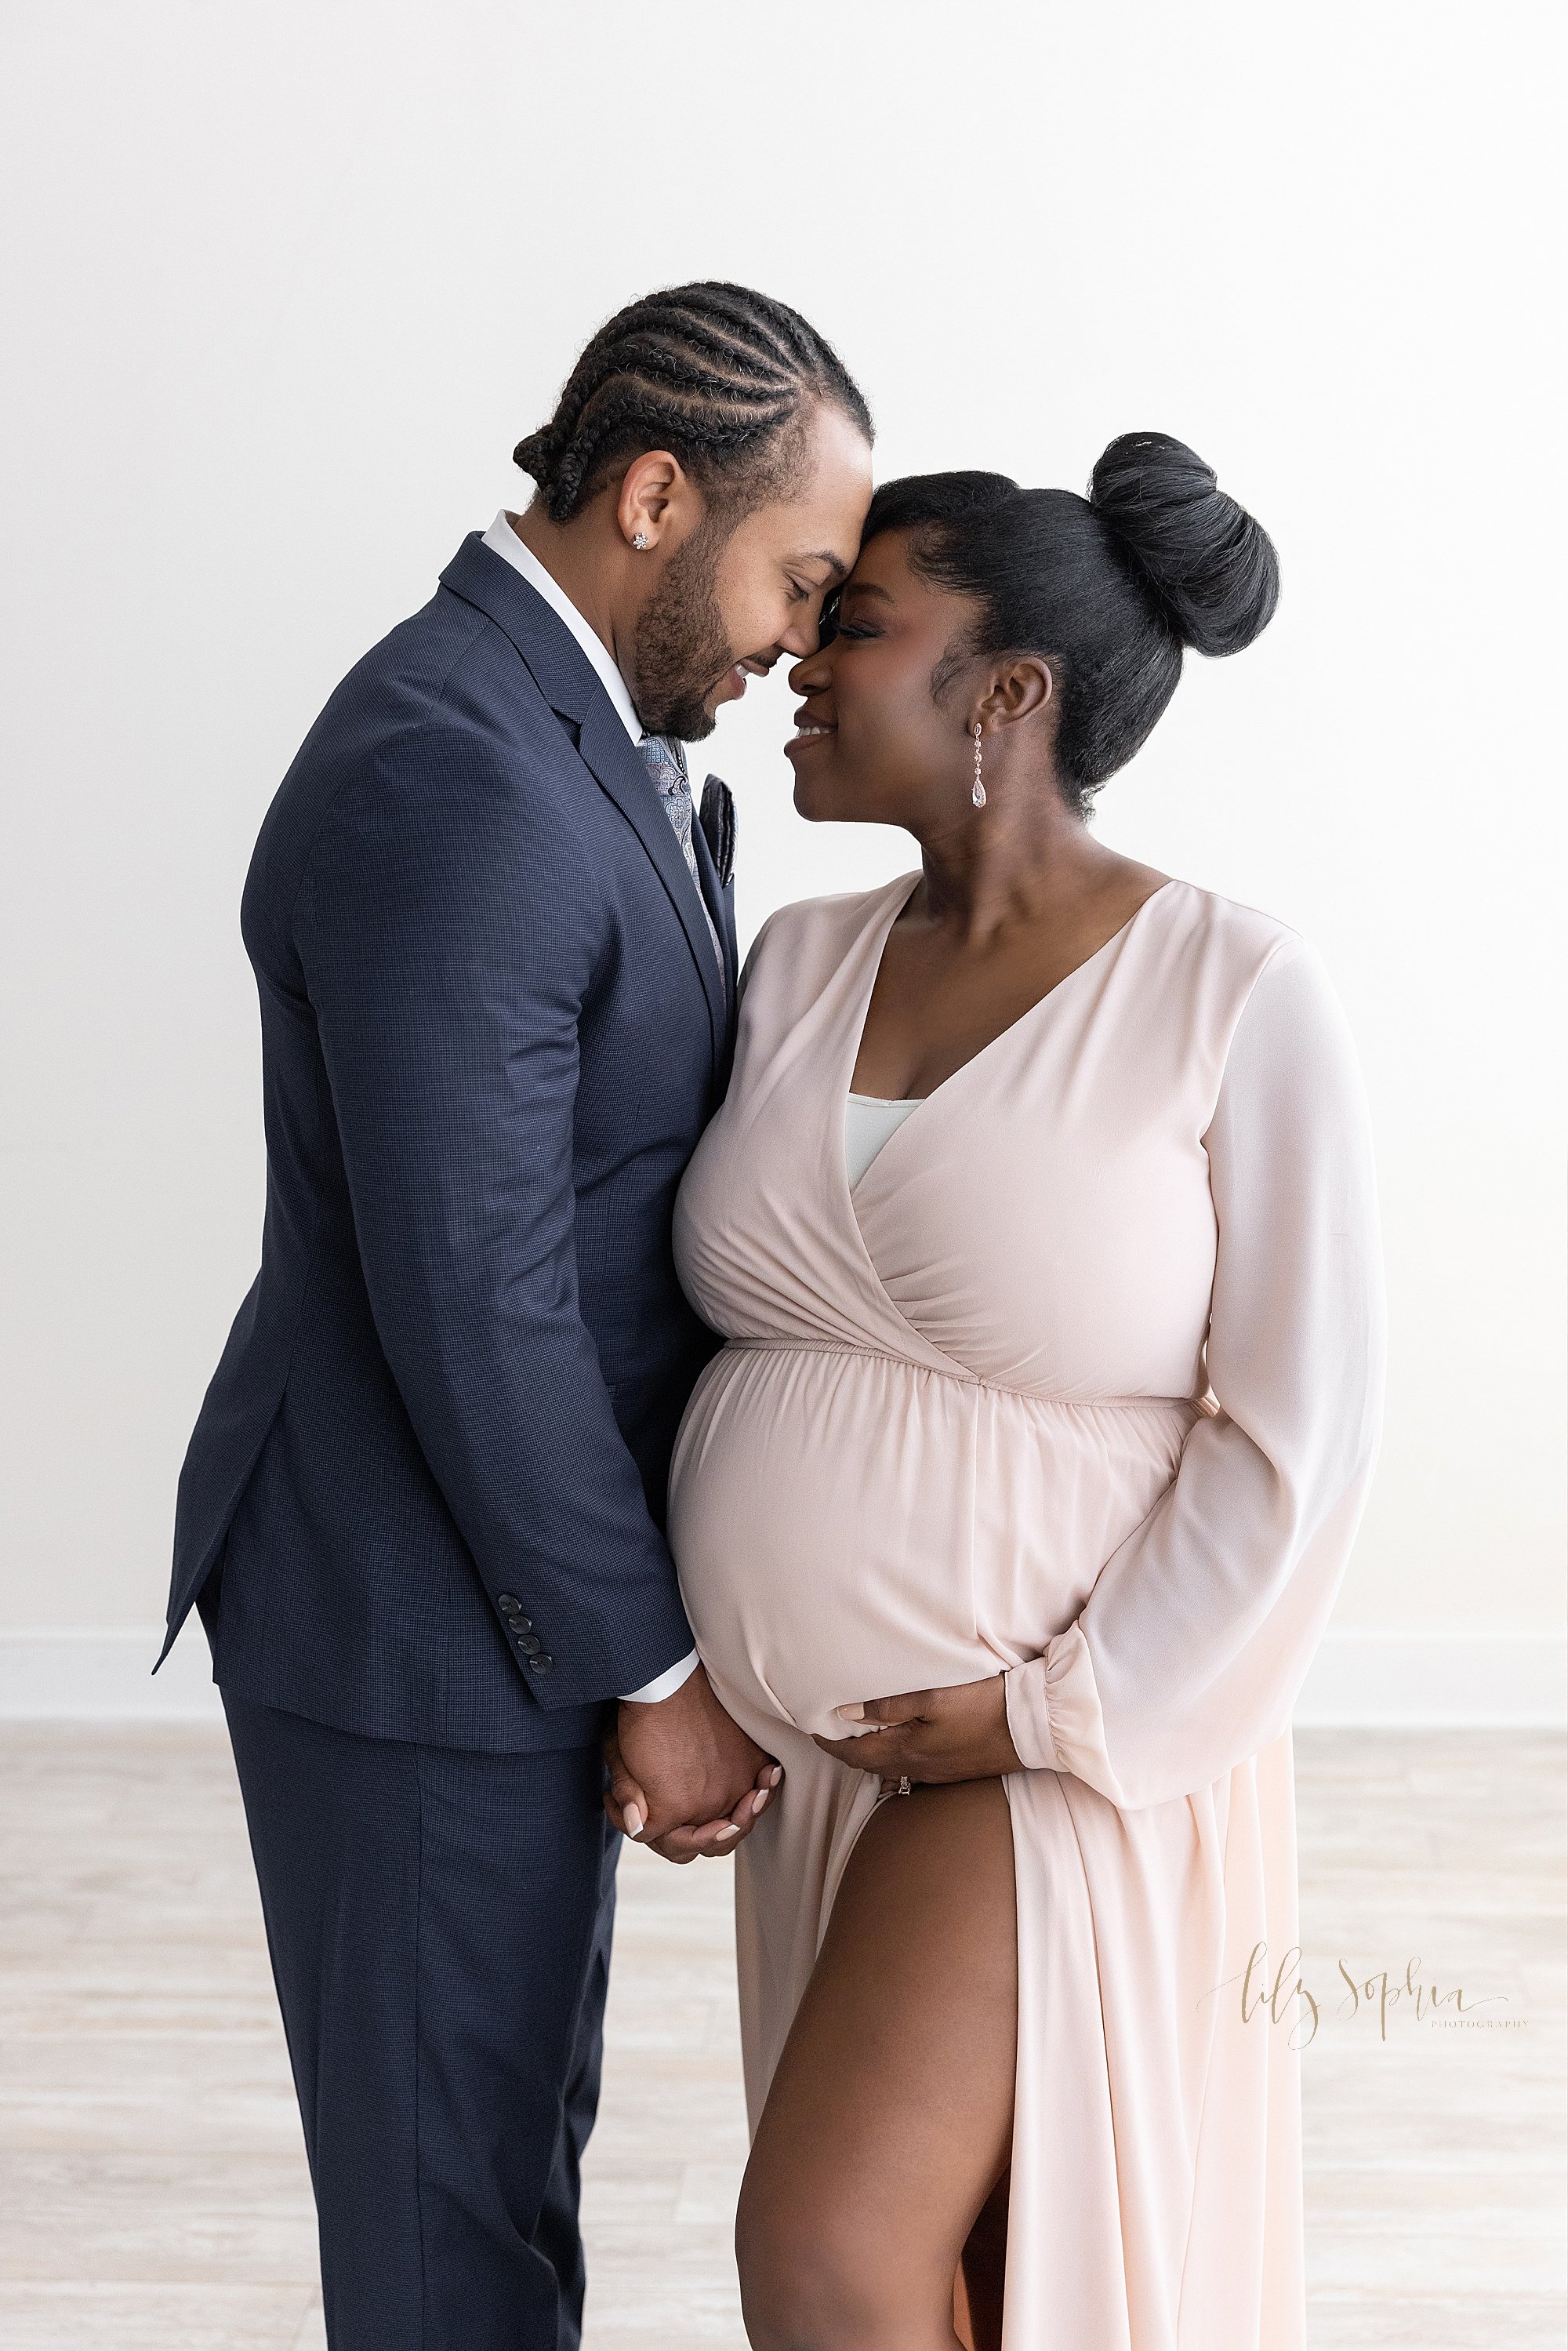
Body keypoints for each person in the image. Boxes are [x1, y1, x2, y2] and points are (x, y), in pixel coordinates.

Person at [159, 282, 874, 2351]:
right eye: (797, 579)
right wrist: (652, 1659)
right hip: (415, 1610)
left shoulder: (567, 732)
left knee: (497, 2179)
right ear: (659, 494)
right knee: (445, 2231)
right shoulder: (451, 773)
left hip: (502, 1604)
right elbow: (477, 1298)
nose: (800, 645)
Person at [642, 438, 1385, 2349]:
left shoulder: (1229, 984)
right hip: (825, 1761)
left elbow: (1295, 1439)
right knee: (956, 2274)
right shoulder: (796, 962)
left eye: (858, 623)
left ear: (1009, 691)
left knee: (827, 2251)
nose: (802, 655)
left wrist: (1055, 1705)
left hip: (1049, 1745)